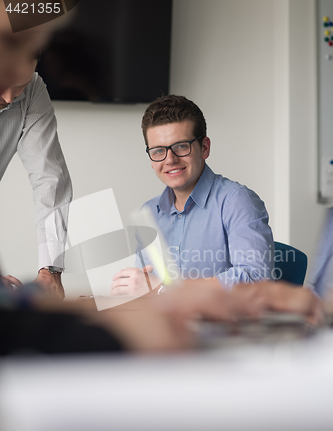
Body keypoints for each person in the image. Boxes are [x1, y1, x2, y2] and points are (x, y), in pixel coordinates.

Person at [111, 95, 274, 296]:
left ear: (204, 148)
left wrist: (162, 288)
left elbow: (255, 280)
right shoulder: (148, 212)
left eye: (181, 146)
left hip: (223, 326)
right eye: (158, 150)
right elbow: (146, 287)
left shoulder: (237, 201)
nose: (170, 159)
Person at [0, 0, 72, 299]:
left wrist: (50, 270)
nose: (7, 98)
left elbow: (49, 179)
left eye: (17, 88)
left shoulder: (33, 91)